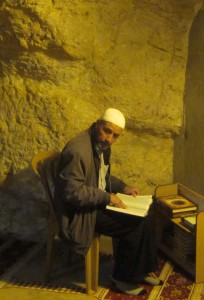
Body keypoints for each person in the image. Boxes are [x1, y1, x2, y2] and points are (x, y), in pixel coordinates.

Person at [54, 108, 162, 295]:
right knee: (134, 224)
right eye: (107, 131)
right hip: (80, 212)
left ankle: (140, 270)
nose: (109, 139)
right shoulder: (78, 150)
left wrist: (123, 187)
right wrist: (107, 197)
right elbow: (71, 193)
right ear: (97, 124)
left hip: (94, 202)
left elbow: (101, 178)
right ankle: (122, 279)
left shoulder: (101, 146)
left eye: (115, 136)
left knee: (149, 212)